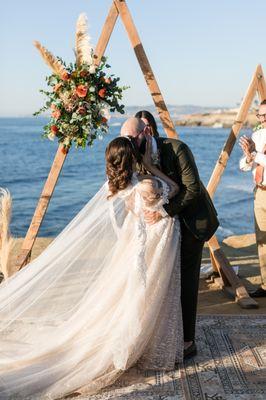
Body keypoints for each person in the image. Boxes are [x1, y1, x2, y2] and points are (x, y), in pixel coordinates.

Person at [0, 136, 183, 399]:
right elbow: (174, 188)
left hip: (136, 247)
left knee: (130, 297)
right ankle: (140, 344)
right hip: (152, 247)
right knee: (149, 294)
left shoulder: (119, 186)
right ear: (132, 158)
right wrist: (149, 166)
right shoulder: (145, 185)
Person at [121, 117, 219, 359]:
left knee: (185, 281)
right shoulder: (134, 153)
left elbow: (192, 188)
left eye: (133, 139)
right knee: (161, 281)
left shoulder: (178, 149)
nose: (130, 144)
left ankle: (187, 341)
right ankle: (163, 333)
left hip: (190, 221)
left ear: (146, 131)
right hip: (161, 231)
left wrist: (163, 211)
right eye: (127, 140)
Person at [239, 99, 266, 298]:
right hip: (260, 192)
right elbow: (244, 165)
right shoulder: (257, 134)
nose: (262, 119)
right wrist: (249, 156)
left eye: (265, 115)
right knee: (262, 240)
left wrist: (255, 154)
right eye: (260, 115)